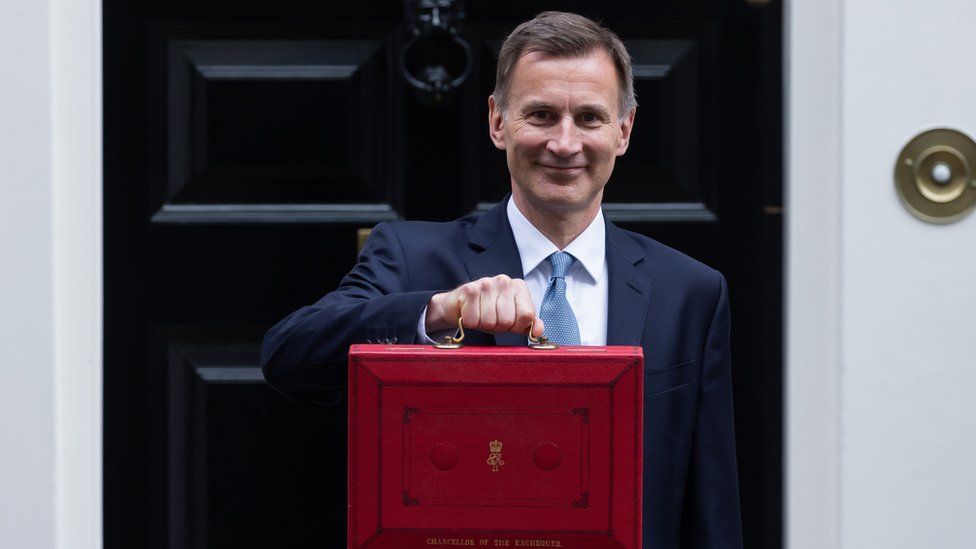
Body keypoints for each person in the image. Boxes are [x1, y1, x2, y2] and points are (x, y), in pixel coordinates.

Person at [262, 11, 742, 548]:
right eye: (540, 115)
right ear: (497, 121)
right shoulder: (412, 257)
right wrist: (438, 313)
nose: (564, 143)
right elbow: (288, 356)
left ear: (623, 130)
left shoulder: (691, 291)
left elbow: (710, 504)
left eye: (589, 118)